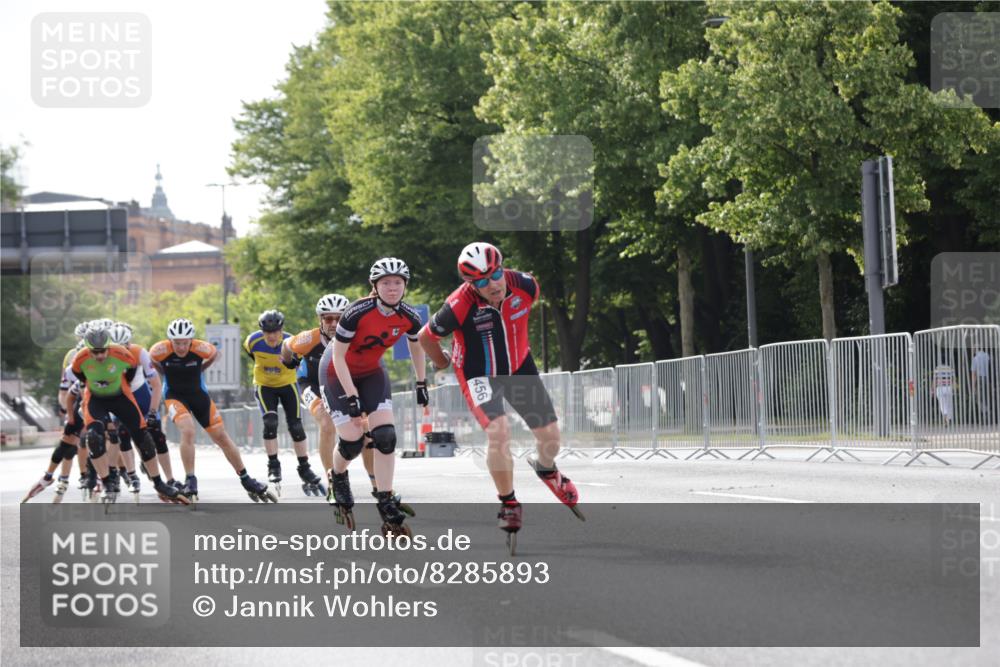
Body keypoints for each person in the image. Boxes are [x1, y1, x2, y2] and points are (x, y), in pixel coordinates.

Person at [418, 242, 583, 548]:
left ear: (502, 268)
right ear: (470, 284)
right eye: (480, 281)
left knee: (551, 438)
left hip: (519, 366)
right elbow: (426, 336)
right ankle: (508, 503)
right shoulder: (458, 305)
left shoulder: (526, 285)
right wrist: (441, 362)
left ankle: (546, 468)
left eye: (494, 275)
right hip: (478, 373)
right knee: (499, 431)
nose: (491, 284)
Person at [319, 257, 427, 534]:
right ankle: (338, 476)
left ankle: (386, 499)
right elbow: (338, 356)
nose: (392, 288)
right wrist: (352, 397)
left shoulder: (410, 316)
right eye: (386, 283)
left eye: (398, 283)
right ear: (375, 286)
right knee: (353, 441)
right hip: (336, 371)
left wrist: (421, 381)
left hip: (372, 371)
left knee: (385, 436)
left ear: (405, 285)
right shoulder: (357, 311)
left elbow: (417, 346)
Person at [149, 318, 275, 502]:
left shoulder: (202, 348)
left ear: (191, 341)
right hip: (175, 397)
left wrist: (201, 367)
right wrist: (165, 373)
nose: (181, 347)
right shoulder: (159, 350)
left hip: (199, 395)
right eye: (177, 343)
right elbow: (153, 363)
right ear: (170, 341)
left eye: (185, 343)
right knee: (188, 430)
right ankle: (190, 478)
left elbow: (215, 355)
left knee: (221, 437)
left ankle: (246, 479)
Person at [69, 326, 187, 504]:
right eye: (95, 352)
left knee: (143, 436)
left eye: (103, 351)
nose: (100, 356)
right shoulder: (80, 359)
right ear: (88, 349)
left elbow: (132, 371)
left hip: (120, 395)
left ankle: (158, 482)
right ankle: (108, 483)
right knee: (94, 437)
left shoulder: (122, 354)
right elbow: (79, 375)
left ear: (109, 346)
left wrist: (118, 384)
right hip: (95, 398)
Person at [245, 310, 325, 496]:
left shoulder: (292, 342)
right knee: (270, 422)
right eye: (267, 332)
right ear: (262, 331)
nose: (272, 336)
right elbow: (251, 355)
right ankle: (273, 465)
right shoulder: (252, 342)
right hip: (265, 386)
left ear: (281, 330)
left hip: (288, 385)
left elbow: (298, 361)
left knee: (296, 427)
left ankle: (304, 467)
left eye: (276, 332)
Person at [20, 321, 90, 503]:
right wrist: (66, 410)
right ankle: (58, 478)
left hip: (95, 402)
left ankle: (92, 475)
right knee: (69, 441)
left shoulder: (100, 353)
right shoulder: (71, 358)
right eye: (79, 338)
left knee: (88, 440)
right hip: (78, 401)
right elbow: (65, 390)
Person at [971, 347, 992, 416]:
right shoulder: (987, 356)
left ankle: (986, 412)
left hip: (979, 379)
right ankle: (988, 412)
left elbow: (974, 374)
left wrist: (973, 386)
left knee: (978, 397)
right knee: (986, 397)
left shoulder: (975, 358)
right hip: (987, 379)